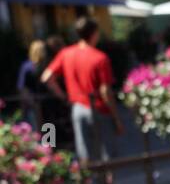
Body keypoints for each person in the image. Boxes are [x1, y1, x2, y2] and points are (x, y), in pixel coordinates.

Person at [41, 17, 124, 165]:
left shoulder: (66, 53)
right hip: (99, 109)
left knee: (84, 154)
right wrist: (116, 118)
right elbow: (105, 90)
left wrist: (63, 96)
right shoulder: (99, 57)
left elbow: (47, 77)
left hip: (77, 108)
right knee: (107, 155)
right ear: (94, 33)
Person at [16, 40, 50, 128]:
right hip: (35, 104)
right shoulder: (27, 67)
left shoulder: (47, 65)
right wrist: (32, 103)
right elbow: (22, 88)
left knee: (49, 131)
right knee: (39, 131)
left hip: (47, 104)